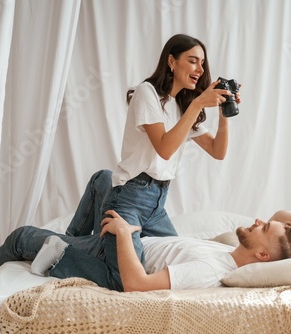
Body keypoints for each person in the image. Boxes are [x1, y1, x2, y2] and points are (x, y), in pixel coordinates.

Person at [65, 33, 242, 268]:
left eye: (202, 62)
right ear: (171, 61)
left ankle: (102, 183)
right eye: (192, 60)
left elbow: (217, 151)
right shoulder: (147, 93)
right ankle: (56, 244)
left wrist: (224, 114)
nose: (200, 69)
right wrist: (199, 103)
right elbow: (164, 148)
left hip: (157, 205)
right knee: (123, 273)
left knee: (176, 263)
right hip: (130, 196)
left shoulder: (182, 106)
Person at [0, 169, 291, 292]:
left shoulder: (210, 271)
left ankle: (72, 248)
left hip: (129, 252)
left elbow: (137, 284)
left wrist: (122, 234)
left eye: (265, 227)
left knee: (21, 237)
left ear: (262, 254)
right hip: (156, 238)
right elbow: (280, 222)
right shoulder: (234, 253)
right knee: (103, 179)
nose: (260, 219)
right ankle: (79, 240)